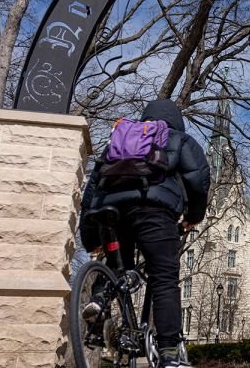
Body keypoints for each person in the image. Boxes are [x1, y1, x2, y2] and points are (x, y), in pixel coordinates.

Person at [80, 99, 210, 368]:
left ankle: (99, 301)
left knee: (117, 267)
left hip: (111, 212)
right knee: (163, 278)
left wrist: (91, 238)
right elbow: (198, 180)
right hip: (153, 211)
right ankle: (170, 352)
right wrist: (194, 216)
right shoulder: (179, 139)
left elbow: (91, 190)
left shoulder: (119, 141)